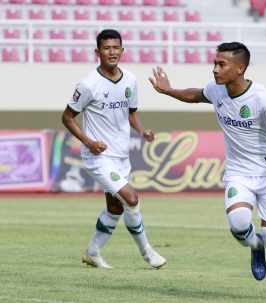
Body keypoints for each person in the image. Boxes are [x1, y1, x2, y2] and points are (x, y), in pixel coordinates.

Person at [148, 42, 266, 300]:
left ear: (240, 68)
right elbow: (195, 95)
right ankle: (255, 246)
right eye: (215, 63)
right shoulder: (217, 90)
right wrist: (168, 90)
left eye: (221, 64)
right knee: (239, 225)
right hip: (238, 172)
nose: (215, 69)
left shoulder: (261, 97)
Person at [61, 29, 166, 269]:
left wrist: (142, 132)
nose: (112, 52)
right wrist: (89, 142)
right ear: (97, 52)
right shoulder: (88, 85)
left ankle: (92, 252)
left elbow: (130, 113)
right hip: (98, 156)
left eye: (115, 47)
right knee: (131, 198)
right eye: (106, 48)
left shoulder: (130, 79)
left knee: (115, 207)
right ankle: (147, 251)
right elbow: (67, 117)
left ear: (122, 50)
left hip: (121, 156)